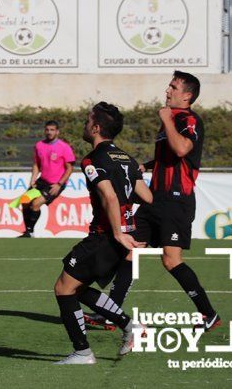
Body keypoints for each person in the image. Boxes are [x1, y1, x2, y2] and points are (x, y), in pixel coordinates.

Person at [111, 71, 219, 332]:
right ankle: (111, 312)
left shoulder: (188, 119)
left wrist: (166, 120)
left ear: (187, 95)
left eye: (173, 87)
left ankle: (209, 315)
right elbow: (170, 157)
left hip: (176, 200)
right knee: (130, 249)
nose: (167, 90)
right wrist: (146, 165)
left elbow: (182, 149)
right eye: (169, 86)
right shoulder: (171, 120)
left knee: (171, 260)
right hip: (154, 198)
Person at [53, 102, 153, 364]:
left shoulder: (92, 159)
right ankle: (132, 327)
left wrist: (119, 233)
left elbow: (109, 196)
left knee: (64, 289)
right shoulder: (127, 159)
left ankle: (82, 352)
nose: (85, 125)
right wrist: (131, 229)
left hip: (106, 237)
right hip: (121, 238)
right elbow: (147, 196)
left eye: (88, 121)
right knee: (78, 287)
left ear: (96, 128)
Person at [19, 121, 75, 237]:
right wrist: (33, 180)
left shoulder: (64, 147)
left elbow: (69, 168)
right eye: (47, 130)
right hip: (41, 181)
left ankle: (30, 231)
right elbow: (36, 164)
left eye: (52, 130)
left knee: (35, 204)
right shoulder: (39, 145)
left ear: (57, 132)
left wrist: (59, 184)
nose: (49, 132)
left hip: (55, 184)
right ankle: (28, 231)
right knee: (24, 201)